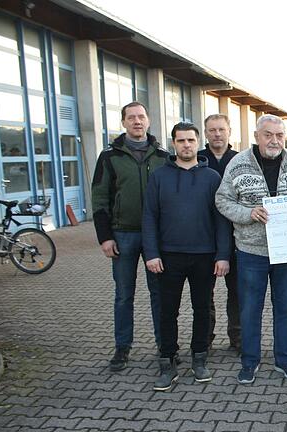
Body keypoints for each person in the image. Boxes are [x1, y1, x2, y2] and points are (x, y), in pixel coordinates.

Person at [215, 114, 287, 384]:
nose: (274, 140)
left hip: (286, 252)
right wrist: (248, 213)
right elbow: (222, 200)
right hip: (251, 251)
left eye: (279, 135)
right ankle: (250, 361)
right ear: (257, 136)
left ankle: (284, 360)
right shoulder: (239, 164)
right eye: (268, 135)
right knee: (250, 309)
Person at [143, 122, 231, 391]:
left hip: (204, 257)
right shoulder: (159, 177)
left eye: (191, 140)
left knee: (202, 309)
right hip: (168, 257)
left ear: (197, 142)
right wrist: (151, 253)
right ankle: (168, 360)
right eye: (181, 141)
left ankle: (199, 358)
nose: (186, 145)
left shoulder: (212, 178)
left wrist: (223, 255)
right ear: (173, 144)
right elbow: (149, 216)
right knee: (167, 311)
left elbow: (221, 221)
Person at [91, 101, 167, 372]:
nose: (137, 121)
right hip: (122, 235)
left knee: (160, 293)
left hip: (155, 237)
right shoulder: (109, 157)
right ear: (123, 123)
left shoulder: (162, 156)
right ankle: (122, 348)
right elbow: (99, 198)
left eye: (141, 117)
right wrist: (105, 236)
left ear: (148, 121)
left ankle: (164, 346)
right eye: (131, 117)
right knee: (124, 294)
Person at [198, 114, 240, 351]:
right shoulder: (198, 159)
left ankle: (237, 338)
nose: (217, 134)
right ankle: (205, 338)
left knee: (237, 292)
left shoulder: (240, 160)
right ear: (205, 133)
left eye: (221, 129)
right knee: (205, 293)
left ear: (229, 131)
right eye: (212, 130)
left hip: (236, 236)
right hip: (205, 237)